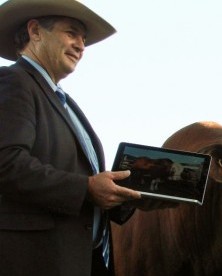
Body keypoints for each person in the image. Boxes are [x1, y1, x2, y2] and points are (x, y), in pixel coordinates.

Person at [0, 0, 144, 275]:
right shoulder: (14, 82)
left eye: (83, 38)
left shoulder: (67, 104)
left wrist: (130, 193)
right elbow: (6, 162)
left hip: (81, 261)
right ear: (35, 31)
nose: (81, 45)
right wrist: (86, 188)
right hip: (35, 261)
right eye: (71, 32)